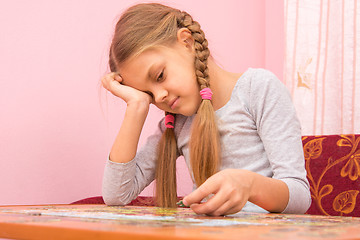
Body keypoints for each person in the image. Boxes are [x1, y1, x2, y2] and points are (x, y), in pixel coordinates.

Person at [101, 2, 311, 216]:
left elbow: (299, 196)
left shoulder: (258, 89)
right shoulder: (178, 123)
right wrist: (136, 106)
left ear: (187, 42)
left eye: (160, 76)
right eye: (149, 95)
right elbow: (117, 194)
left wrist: (249, 185)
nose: (159, 96)